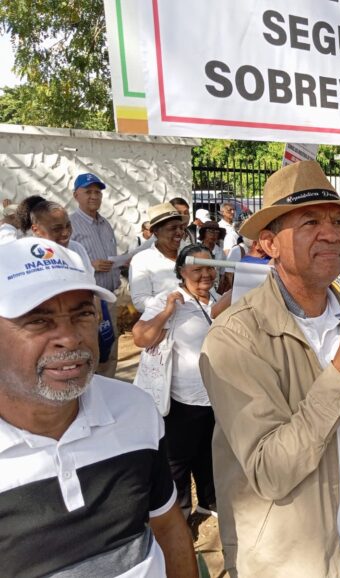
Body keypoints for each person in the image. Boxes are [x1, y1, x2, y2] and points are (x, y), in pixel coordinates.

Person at [199, 160, 340, 578]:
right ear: (270, 243)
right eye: (310, 221)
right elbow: (271, 472)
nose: (331, 233)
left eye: (337, 221)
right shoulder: (234, 338)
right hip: (293, 565)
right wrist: (339, 377)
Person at [0, 238, 197, 578]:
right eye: (38, 321)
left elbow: (166, 526)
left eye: (83, 314)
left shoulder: (134, 410)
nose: (70, 337)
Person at [133, 244, 232, 520]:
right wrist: (166, 311)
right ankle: (179, 515)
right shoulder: (170, 298)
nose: (205, 275)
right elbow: (141, 337)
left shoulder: (214, 298)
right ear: (181, 271)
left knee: (207, 455)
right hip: (181, 401)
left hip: (213, 397)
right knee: (177, 462)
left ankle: (208, 503)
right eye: (197, 269)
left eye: (210, 268)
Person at [69, 173, 122, 377]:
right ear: (76, 195)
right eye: (88, 191)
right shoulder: (70, 225)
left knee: (110, 351)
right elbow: (67, 261)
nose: (94, 196)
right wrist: (91, 266)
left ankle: (109, 396)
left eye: (97, 192)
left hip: (109, 297)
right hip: (88, 300)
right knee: (89, 351)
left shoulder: (105, 224)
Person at [129, 202, 186, 312]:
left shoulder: (189, 255)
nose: (179, 232)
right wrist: (169, 301)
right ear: (156, 231)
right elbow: (140, 301)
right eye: (173, 228)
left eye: (181, 227)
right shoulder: (141, 260)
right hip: (165, 324)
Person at [27, 198, 93, 276]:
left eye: (68, 225)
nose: (66, 233)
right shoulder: (27, 255)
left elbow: (89, 279)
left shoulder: (77, 248)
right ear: (36, 230)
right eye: (57, 229)